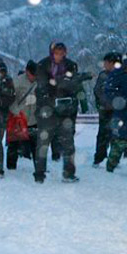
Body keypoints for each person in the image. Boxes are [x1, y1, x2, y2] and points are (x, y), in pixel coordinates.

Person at [34, 42, 90, 183]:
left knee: (68, 144)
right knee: (43, 143)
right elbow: (43, 87)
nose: (59, 56)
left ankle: (68, 173)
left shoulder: (71, 65)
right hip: (47, 110)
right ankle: (39, 174)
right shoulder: (42, 65)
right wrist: (63, 83)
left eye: (62, 52)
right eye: (56, 53)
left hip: (65, 111)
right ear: (52, 53)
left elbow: (74, 86)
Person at [7, 61, 39, 170]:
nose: (33, 77)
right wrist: (16, 111)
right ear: (26, 71)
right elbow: (9, 98)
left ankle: (39, 168)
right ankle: (11, 168)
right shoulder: (17, 81)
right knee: (14, 144)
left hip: (33, 118)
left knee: (36, 146)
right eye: (32, 75)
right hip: (19, 118)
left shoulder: (39, 82)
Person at [93, 52, 121, 167]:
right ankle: (99, 158)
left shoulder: (120, 75)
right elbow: (97, 91)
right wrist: (102, 102)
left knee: (116, 134)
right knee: (102, 134)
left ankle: (114, 158)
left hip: (117, 110)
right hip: (105, 110)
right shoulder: (103, 75)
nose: (104, 65)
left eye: (106, 62)